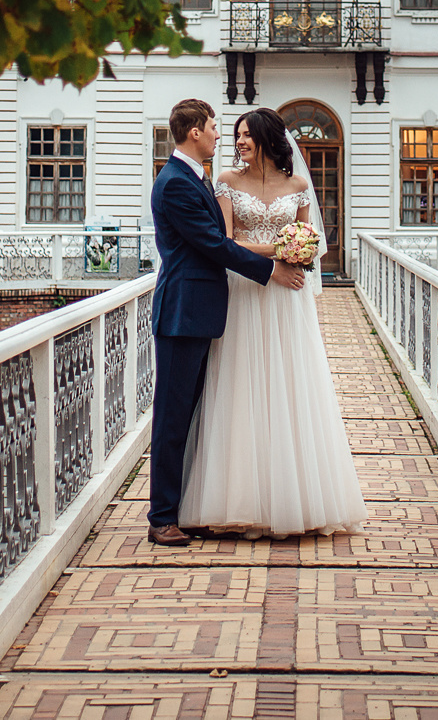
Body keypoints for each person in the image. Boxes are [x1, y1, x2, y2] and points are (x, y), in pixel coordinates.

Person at [177, 106, 368, 538]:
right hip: (245, 289)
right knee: (242, 385)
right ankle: (240, 498)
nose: (238, 141)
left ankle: (294, 498)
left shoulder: (299, 185)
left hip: (287, 297)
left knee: (289, 384)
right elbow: (226, 242)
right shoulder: (226, 182)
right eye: (235, 134)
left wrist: (296, 251)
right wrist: (278, 252)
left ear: (266, 138)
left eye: (245, 134)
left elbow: (311, 242)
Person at [146, 97, 306, 547]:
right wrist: (272, 268)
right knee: (173, 419)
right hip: (183, 313)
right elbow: (216, 244)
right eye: (215, 127)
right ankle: (162, 518)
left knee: (192, 415)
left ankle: (181, 508)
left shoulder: (191, 176)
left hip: (200, 311)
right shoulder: (176, 183)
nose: (222, 135)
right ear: (194, 131)